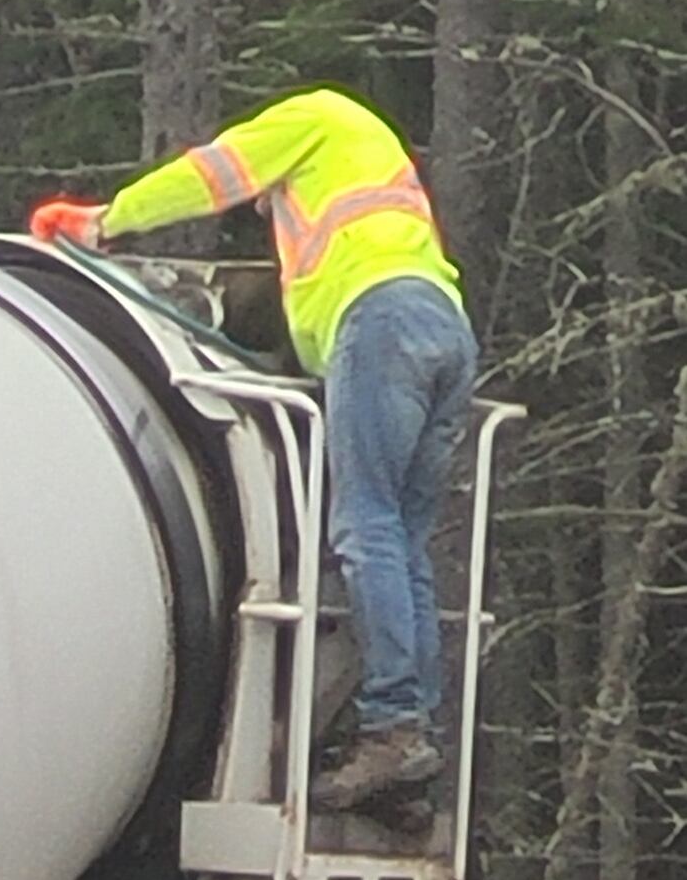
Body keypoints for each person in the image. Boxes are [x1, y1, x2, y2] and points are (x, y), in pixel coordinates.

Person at [30, 85, 478, 810]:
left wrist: (106, 222)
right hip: (444, 332)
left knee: (363, 526)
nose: (269, 212)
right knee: (402, 540)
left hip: (379, 322)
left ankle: (393, 727)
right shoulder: (374, 156)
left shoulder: (312, 118)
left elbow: (211, 176)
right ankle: (413, 738)